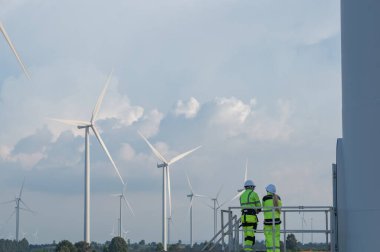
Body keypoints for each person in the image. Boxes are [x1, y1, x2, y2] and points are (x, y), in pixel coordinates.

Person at [240, 179, 262, 252]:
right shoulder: (254, 194)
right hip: (251, 217)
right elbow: (259, 207)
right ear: (251, 187)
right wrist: (257, 210)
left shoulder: (242, 195)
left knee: (246, 235)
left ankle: (247, 249)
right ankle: (248, 250)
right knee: (250, 235)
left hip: (243, 217)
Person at [262, 184, 282, 252]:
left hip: (268, 222)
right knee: (276, 238)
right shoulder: (278, 198)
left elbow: (263, 207)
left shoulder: (265, 198)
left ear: (267, 190)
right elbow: (280, 209)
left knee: (269, 238)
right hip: (277, 222)